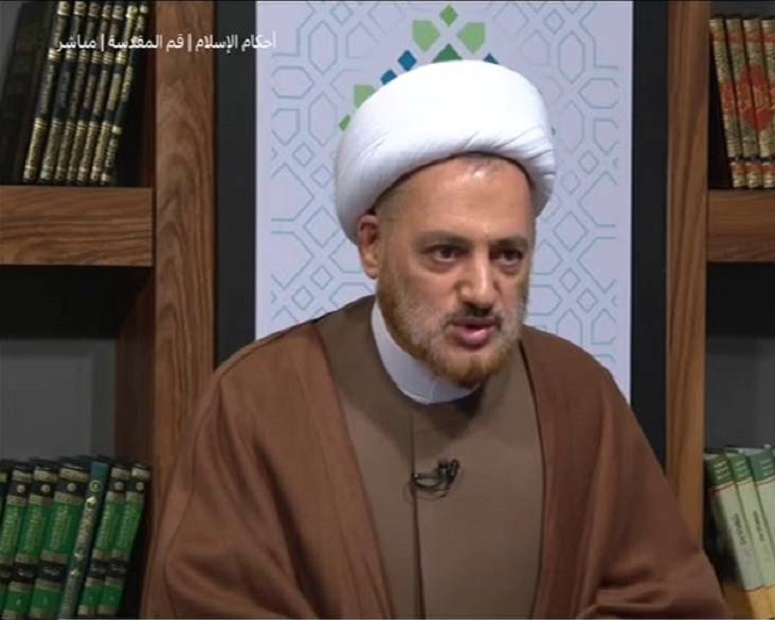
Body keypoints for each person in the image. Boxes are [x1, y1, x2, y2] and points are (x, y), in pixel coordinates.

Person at [140, 59, 730, 619]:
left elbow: (669, 601)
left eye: (508, 255)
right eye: (446, 252)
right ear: (373, 245)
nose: (482, 290)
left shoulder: (580, 395)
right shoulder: (256, 402)